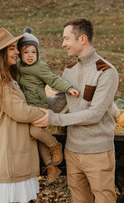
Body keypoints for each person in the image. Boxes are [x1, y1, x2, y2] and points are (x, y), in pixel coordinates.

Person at [32, 18, 119, 203]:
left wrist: (54, 119)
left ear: (83, 39)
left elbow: (94, 114)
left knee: (105, 200)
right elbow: (57, 104)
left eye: (66, 39)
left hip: (97, 152)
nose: (63, 44)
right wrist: (29, 97)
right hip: (72, 151)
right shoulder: (69, 70)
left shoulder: (106, 72)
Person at [0, 28, 45, 203]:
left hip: (16, 154)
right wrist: (47, 113)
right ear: (1, 54)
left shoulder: (4, 77)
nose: (17, 52)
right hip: (12, 157)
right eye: (12, 48)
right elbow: (21, 111)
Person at [16, 27, 79, 184]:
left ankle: (55, 145)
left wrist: (68, 88)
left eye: (33, 52)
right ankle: (51, 167)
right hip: (25, 108)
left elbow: (53, 80)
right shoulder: (17, 67)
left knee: (35, 131)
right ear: (19, 54)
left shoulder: (40, 67)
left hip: (38, 107)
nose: (30, 56)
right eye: (26, 52)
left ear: (37, 53)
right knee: (37, 139)